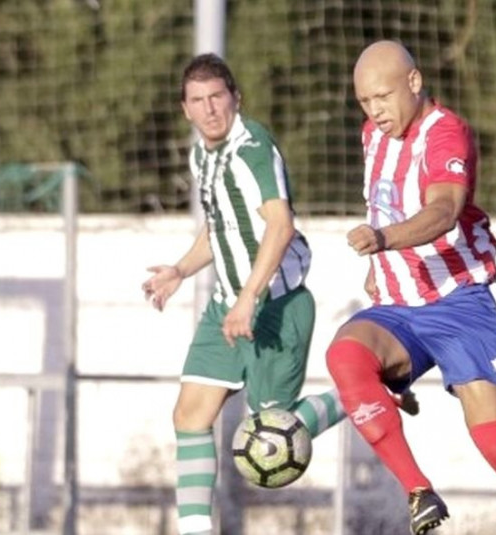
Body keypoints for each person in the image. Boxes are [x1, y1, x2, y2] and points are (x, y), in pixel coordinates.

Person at [325, 40, 496, 535]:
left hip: (459, 303)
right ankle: (418, 491)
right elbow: (385, 204)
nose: (375, 110)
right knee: (344, 355)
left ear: (415, 82)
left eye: (382, 96)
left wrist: (382, 241)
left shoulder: (446, 134)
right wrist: (378, 272)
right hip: (399, 308)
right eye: (364, 101)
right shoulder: (371, 136)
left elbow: (443, 212)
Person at [142, 53, 346, 535]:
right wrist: (180, 269)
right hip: (229, 304)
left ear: (236, 99)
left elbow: (280, 224)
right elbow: (220, 227)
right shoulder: (201, 155)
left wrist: (250, 297)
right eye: (198, 100)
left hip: (274, 304)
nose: (210, 109)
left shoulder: (253, 148)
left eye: (218, 97)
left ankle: (363, 393)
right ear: (185, 109)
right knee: (190, 415)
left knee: (269, 436)